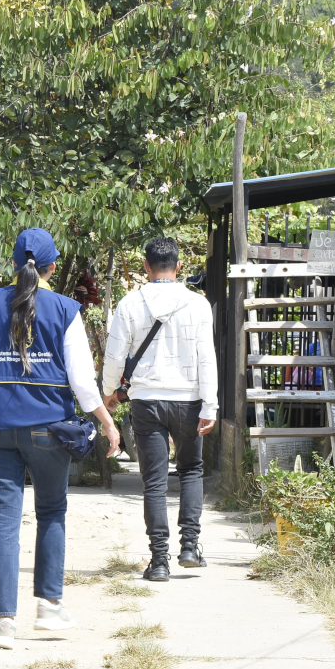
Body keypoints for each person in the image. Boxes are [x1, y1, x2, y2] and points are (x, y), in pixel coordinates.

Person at [0, 228, 120, 650]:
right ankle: (49, 606)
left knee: (4, 522)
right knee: (51, 511)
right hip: (49, 428)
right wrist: (106, 421)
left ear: (13, 263)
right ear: (52, 267)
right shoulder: (67, 310)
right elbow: (83, 383)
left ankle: (3, 624)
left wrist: (4, 373)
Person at [102, 236, 217, 581]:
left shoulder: (129, 304)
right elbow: (206, 358)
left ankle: (159, 561)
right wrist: (209, 404)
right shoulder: (198, 305)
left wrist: (108, 392)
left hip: (146, 401)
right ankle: (190, 546)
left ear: (146, 267)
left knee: (153, 480)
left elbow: (114, 355)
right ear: (179, 266)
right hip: (189, 400)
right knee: (191, 470)